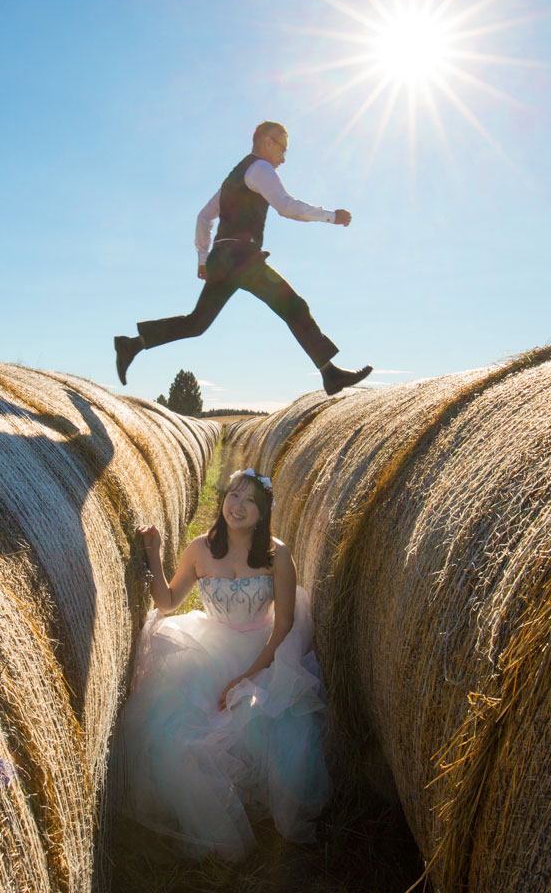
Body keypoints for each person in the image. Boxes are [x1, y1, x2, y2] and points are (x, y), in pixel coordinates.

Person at [117, 467, 331, 859]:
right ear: (224, 499)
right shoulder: (201, 548)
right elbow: (167, 603)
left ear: (263, 512)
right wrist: (153, 553)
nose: (239, 506)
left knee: (281, 734)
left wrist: (248, 677)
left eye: (251, 501)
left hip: (264, 651)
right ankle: (210, 818)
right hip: (211, 647)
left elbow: (283, 625)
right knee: (174, 736)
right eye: (235, 495)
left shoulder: (277, 554)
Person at [114, 121, 373, 397]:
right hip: (241, 259)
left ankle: (133, 344)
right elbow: (286, 206)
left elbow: (204, 216)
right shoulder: (261, 168)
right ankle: (329, 373)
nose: (283, 159)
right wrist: (331, 216)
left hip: (221, 260)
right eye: (283, 149)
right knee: (294, 306)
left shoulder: (232, 178)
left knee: (196, 323)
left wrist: (203, 259)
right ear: (267, 141)